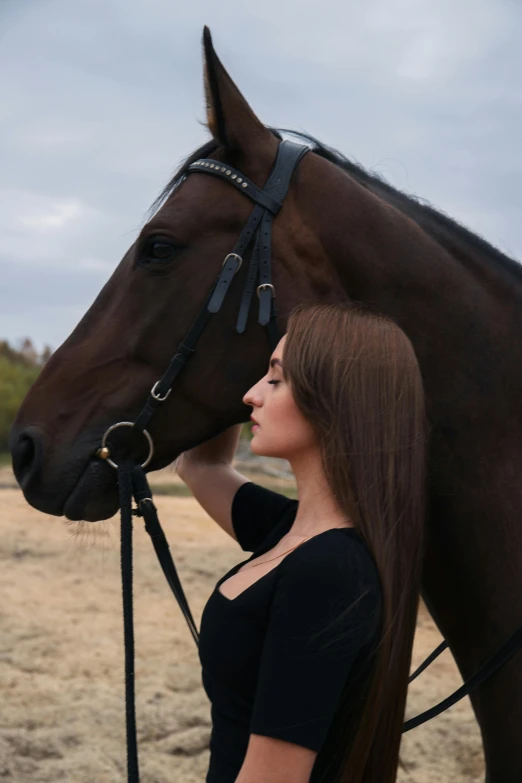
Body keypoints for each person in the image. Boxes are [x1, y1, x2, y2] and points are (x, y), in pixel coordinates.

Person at [175, 301, 427, 783]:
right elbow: (200, 467)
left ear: (336, 398)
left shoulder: (329, 571)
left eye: (274, 379)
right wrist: (222, 346)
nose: (250, 396)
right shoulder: (289, 529)